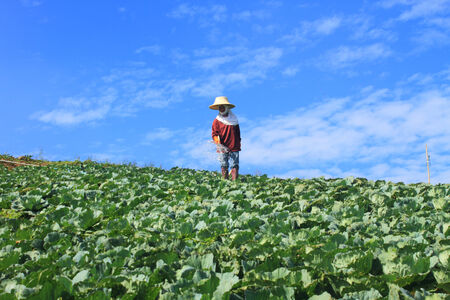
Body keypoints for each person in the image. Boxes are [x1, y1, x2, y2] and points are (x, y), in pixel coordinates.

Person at [209, 96, 241, 180]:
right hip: (222, 145)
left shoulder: (234, 119)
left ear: (226, 107)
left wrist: (238, 143)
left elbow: (237, 133)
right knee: (224, 164)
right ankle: (225, 181)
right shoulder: (217, 121)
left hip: (234, 144)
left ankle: (235, 181)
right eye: (220, 107)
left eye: (223, 107)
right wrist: (217, 140)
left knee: (234, 164)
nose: (221, 109)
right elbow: (214, 133)